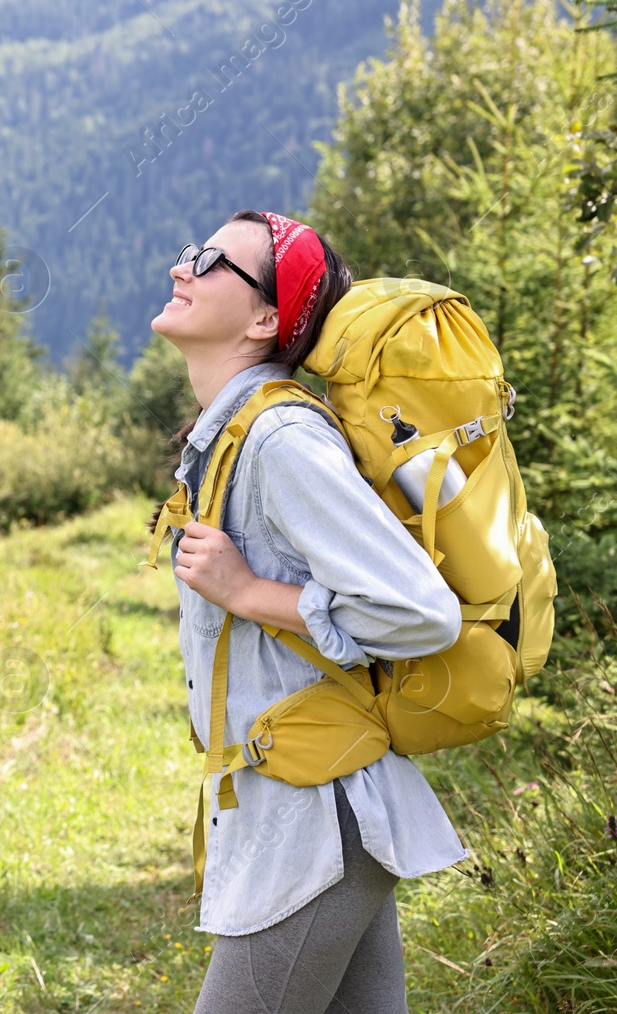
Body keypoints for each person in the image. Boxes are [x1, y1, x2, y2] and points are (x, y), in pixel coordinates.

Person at [149, 210, 467, 1014]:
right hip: (314, 809)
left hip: (318, 822)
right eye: (192, 252)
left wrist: (250, 593)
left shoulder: (281, 438)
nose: (184, 268)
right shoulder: (232, 436)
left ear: (266, 318)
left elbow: (423, 612)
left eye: (213, 261)